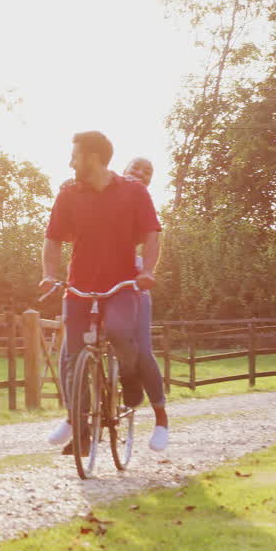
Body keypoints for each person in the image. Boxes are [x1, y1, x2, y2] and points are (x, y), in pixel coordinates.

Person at [38, 132, 169, 454]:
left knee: (120, 332)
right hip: (79, 287)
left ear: (93, 158)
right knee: (71, 356)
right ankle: (77, 421)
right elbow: (52, 239)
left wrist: (148, 271)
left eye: (75, 156)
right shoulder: (69, 194)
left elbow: (152, 234)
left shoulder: (134, 192)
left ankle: (132, 379)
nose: (71, 163)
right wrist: (49, 275)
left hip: (122, 285)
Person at [121, 156, 169, 451]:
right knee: (83, 343)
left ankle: (161, 417)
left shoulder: (144, 203)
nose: (140, 173)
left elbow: (152, 240)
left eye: (147, 172)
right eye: (135, 168)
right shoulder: (105, 196)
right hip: (101, 280)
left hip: (133, 281)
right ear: (123, 171)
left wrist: (147, 272)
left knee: (141, 350)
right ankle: (81, 419)